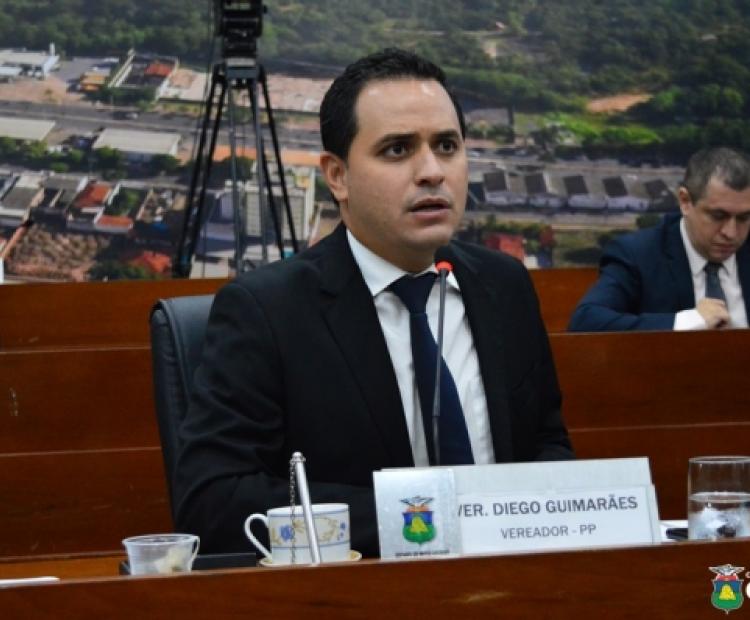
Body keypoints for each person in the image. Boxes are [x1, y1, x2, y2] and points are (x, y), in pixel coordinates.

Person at [174, 48, 573, 558]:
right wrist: (421, 517)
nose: (432, 172)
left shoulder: (504, 285)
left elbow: (546, 446)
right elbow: (213, 501)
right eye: (397, 149)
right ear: (337, 176)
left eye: (447, 145)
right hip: (362, 584)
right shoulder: (266, 312)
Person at [569, 147, 750, 332]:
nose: (731, 233)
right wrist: (689, 321)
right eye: (718, 216)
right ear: (685, 201)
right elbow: (585, 323)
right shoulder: (638, 255)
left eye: (744, 218)